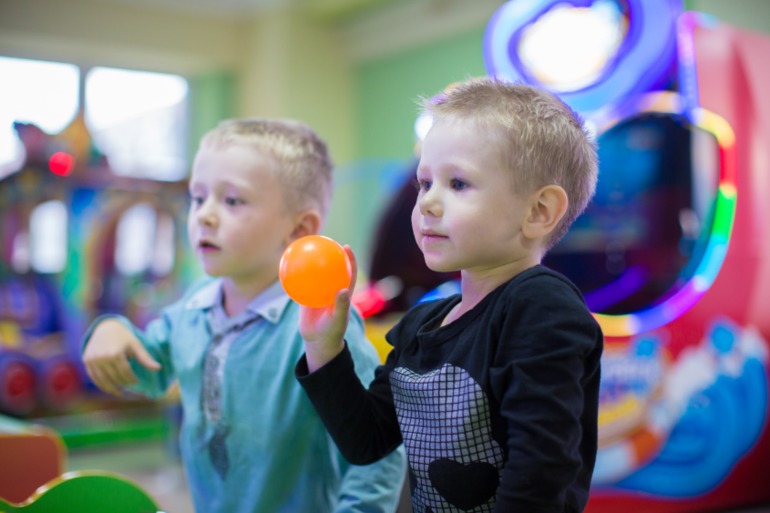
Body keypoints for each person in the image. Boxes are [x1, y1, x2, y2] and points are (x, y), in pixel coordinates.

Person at [295, 77, 604, 512]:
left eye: (457, 184)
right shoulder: (421, 326)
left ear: (538, 212)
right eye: (425, 184)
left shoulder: (541, 307)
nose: (426, 204)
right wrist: (323, 346)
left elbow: (541, 476)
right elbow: (366, 440)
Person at [81, 118, 407, 513]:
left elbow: (378, 450)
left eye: (231, 200)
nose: (204, 215)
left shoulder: (321, 326)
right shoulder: (193, 307)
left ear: (299, 229)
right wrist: (110, 330)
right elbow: (146, 369)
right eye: (198, 198)